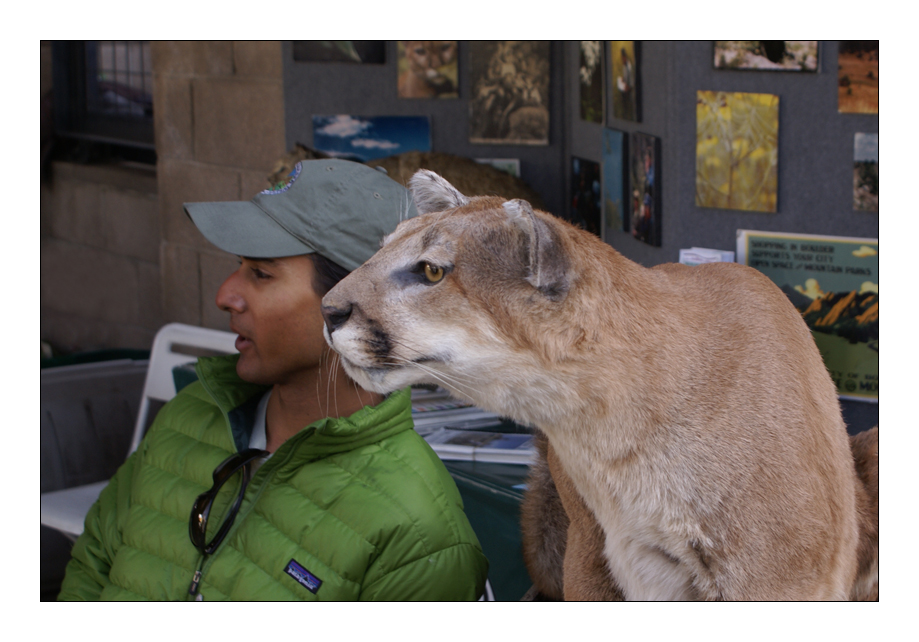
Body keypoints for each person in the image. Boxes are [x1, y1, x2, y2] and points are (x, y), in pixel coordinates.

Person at [58, 159, 489, 601]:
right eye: (238, 265)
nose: (225, 295)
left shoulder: (419, 537)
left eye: (261, 273)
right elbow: (92, 567)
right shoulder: (188, 417)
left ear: (359, 303)